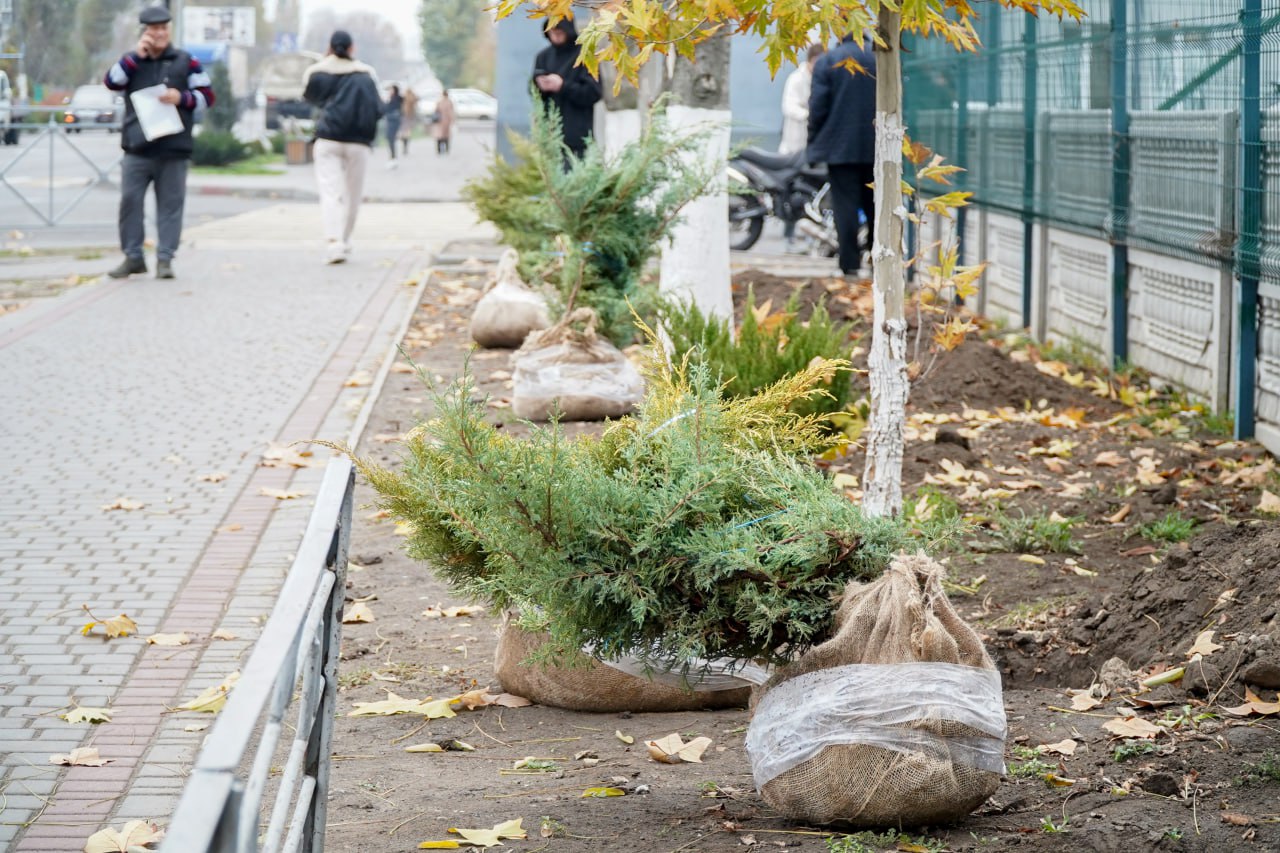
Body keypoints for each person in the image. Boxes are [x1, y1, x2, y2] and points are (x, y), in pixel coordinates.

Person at [103, 5, 215, 280]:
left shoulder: (186, 61)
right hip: (137, 146)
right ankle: (133, 257)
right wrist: (135, 57)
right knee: (130, 202)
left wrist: (182, 98)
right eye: (154, 29)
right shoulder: (131, 61)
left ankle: (165, 259)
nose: (160, 33)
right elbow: (112, 82)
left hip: (174, 148)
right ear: (145, 32)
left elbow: (207, 96)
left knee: (170, 206)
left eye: (164, 28)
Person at [302, 30, 382, 265]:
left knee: (330, 192)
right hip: (358, 142)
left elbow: (309, 97)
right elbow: (378, 108)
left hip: (328, 139)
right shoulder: (366, 74)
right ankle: (344, 240)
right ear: (352, 47)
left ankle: (334, 242)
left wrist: (325, 60)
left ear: (330, 47)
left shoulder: (318, 72)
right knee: (352, 195)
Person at [808, 33, 877, 277]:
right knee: (876, 205)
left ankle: (850, 265)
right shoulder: (880, 57)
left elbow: (818, 107)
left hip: (840, 147)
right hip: (878, 146)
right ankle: (878, 260)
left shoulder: (828, 60)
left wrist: (813, 142)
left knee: (845, 206)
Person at [531, 17, 602, 158]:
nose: (555, 37)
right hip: (549, 135)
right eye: (552, 33)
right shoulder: (543, 57)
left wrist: (563, 86)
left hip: (578, 138)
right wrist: (541, 86)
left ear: (568, 31)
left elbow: (594, 92)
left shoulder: (585, 55)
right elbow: (534, 93)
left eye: (559, 32)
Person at [779, 44, 825, 252]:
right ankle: (788, 237)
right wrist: (810, 116)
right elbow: (789, 107)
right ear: (810, 60)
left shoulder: (821, 78)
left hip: (812, 147)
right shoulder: (797, 79)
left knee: (809, 192)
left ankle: (809, 237)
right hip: (794, 145)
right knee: (790, 190)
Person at [383, 83, 403, 167]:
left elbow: (388, 109)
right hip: (391, 121)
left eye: (391, 89)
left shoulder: (396, 99)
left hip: (393, 121)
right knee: (390, 139)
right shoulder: (393, 98)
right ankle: (392, 157)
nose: (389, 91)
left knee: (391, 139)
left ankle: (393, 158)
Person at [432, 89, 454, 155]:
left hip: (439, 121)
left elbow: (435, 110)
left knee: (439, 136)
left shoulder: (439, 102)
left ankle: (439, 149)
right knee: (446, 136)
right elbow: (451, 112)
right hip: (446, 121)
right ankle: (446, 149)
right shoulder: (449, 102)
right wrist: (452, 120)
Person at [400, 86, 418, 155]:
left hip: (405, 116)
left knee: (404, 132)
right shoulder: (412, 97)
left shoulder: (405, 98)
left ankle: (404, 146)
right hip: (409, 116)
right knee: (407, 132)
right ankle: (405, 147)